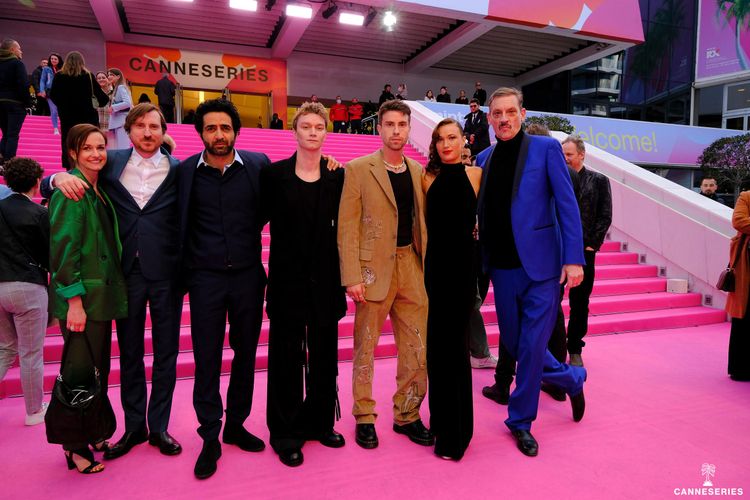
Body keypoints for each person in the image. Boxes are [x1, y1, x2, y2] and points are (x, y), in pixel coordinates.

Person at [42, 103, 184, 460]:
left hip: (166, 274)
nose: (148, 132)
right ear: (129, 130)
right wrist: (55, 178)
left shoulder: (180, 170)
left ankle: (160, 426)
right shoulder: (110, 163)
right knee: (130, 353)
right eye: (141, 126)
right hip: (123, 276)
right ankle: (135, 426)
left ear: (163, 131)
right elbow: (73, 174)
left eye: (154, 126)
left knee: (167, 353)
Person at [476, 87, 586, 457]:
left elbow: (567, 205)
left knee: (533, 343)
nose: (504, 119)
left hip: (542, 268)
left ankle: (520, 421)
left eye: (510, 112)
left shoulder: (546, 149)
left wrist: (573, 259)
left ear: (522, 114)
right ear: (489, 119)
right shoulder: (483, 159)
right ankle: (572, 379)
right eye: (497, 114)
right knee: (515, 344)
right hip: (502, 268)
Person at [177, 99, 269, 480]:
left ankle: (236, 424)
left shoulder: (258, 166)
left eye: (225, 128)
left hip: (248, 278)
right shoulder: (185, 172)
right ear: (201, 133)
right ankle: (210, 435)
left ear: (236, 131)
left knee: (245, 355)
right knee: (207, 359)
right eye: (211, 128)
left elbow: (285, 192)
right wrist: (53, 180)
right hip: (205, 280)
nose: (219, 134)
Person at [338, 99, 433, 450]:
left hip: (411, 266)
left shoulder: (418, 171)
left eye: (402, 125)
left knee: (416, 348)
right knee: (365, 346)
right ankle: (364, 415)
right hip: (371, 270)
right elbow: (347, 227)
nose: (396, 131)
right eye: (389, 124)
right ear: (379, 128)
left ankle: (407, 414)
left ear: (409, 129)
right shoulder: (358, 169)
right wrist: (352, 275)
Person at [262, 102, 347, 468]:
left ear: (326, 132)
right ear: (294, 131)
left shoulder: (337, 176)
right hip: (286, 281)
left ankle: (320, 423)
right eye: (306, 126)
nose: (313, 132)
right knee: (285, 357)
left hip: (326, 281)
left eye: (319, 127)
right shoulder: (274, 175)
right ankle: (285, 432)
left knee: (325, 355)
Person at [47, 124, 128, 473]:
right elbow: (63, 251)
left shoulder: (97, 188)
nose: (96, 154)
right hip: (82, 301)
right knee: (79, 373)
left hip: (100, 298)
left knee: (98, 370)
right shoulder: (71, 192)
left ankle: (92, 430)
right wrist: (74, 302)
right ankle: (74, 446)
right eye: (87, 148)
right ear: (72, 153)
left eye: (100, 147)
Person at [421, 118, 481, 460]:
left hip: (463, 271)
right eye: (440, 139)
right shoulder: (426, 177)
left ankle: (457, 434)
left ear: (463, 141)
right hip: (434, 271)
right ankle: (439, 423)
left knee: (457, 349)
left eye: (452, 137)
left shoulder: (476, 175)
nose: (446, 144)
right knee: (437, 350)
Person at [0, 157, 49, 426]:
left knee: (5, 348)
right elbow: (50, 255)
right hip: (28, 286)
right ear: (37, 181)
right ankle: (34, 411)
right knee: (31, 353)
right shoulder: (38, 213)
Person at [561, 135, 612, 367]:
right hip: (557, 249)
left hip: (584, 251)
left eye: (569, 154)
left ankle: (574, 348)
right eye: (563, 154)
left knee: (580, 302)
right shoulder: (557, 177)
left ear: (581, 154)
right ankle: (553, 347)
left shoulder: (598, 180)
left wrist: (591, 245)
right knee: (551, 301)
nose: (565, 158)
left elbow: (605, 215)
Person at [49, 51, 109, 170]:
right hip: (88, 118)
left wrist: (63, 106)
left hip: (67, 118)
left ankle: (70, 167)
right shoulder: (88, 76)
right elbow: (103, 99)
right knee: (88, 142)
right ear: (82, 62)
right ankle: (89, 166)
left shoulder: (59, 76)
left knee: (69, 142)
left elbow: (53, 95)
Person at [726, 185, 750, 381]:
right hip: (746, 267)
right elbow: (739, 221)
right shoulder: (746, 196)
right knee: (744, 318)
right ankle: (740, 368)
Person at [0, 39, 30, 165]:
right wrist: (27, 103)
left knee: (6, 134)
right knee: (12, 135)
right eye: (19, 48)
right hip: (15, 104)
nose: (21, 51)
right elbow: (23, 85)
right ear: (12, 50)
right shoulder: (17, 64)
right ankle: (9, 164)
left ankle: (1, 161)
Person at [107, 68, 133, 150]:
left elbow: (127, 103)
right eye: (108, 75)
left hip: (121, 121)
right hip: (116, 121)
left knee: (122, 146)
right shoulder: (115, 88)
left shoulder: (121, 87)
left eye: (111, 75)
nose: (109, 76)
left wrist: (113, 107)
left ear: (118, 76)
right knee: (116, 147)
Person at [39, 53, 62, 135]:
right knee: (54, 110)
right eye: (52, 58)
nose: (53, 60)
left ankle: (63, 126)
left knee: (61, 111)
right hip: (50, 92)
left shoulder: (63, 69)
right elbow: (42, 80)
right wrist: (42, 90)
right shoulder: (46, 69)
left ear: (59, 60)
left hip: (61, 92)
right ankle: (55, 128)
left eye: (55, 59)